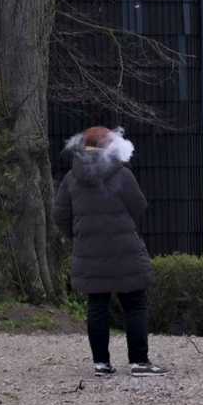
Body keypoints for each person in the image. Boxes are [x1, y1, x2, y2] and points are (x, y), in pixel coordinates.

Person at [54, 122, 158, 375]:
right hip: (125, 250)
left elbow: (60, 215)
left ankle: (101, 363)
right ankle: (139, 362)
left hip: (89, 252)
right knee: (134, 304)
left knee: (97, 306)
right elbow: (139, 206)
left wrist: (79, 236)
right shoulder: (122, 174)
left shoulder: (71, 178)